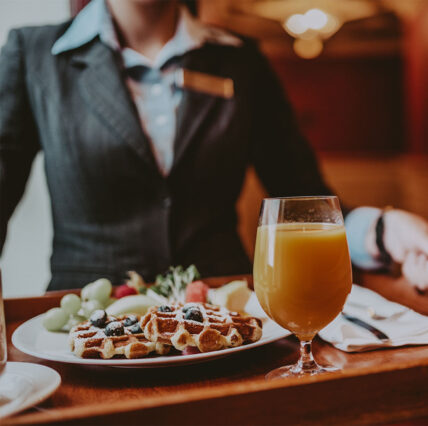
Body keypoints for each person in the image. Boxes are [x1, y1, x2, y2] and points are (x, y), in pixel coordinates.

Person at [1, 0, 428, 291]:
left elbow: (305, 199)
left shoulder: (242, 61)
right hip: (83, 330)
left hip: (228, 321)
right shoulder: (33, 55)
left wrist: (384, 229)